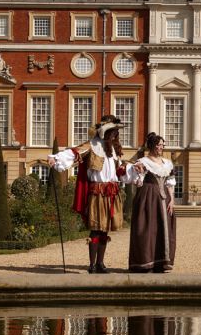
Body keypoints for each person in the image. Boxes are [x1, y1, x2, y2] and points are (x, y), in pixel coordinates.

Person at [49, 115, 139, 273]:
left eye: (115, 132)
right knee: (96, 228)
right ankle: (92, 264)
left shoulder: (113, 150)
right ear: (104, 132)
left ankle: (100, 263)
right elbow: (74, 152)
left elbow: (119, 170)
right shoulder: (92, 146)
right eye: (112, 131)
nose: (114, 134)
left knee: (105, 229)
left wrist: (134, 169)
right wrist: (56, 159)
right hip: (97, 192)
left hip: (111, 192)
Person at [128, 132, 177, 273]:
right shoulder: (143, 162)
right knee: (147, 229)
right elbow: (137, 182)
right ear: (152, 146)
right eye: (158, 145)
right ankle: (145, 263)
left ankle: (161, 263)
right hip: (147, 198)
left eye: (162, 145)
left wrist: (172, 200)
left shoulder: (167, 163)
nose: (161, 147)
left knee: (164, 229)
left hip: (164, 200)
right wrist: (138, 173)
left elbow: (170, 183)